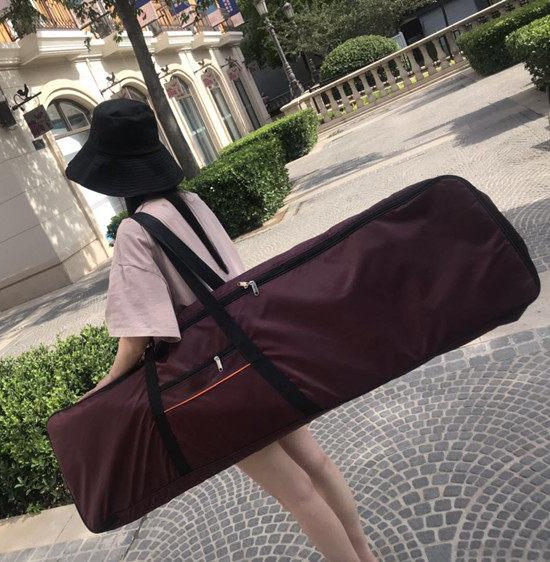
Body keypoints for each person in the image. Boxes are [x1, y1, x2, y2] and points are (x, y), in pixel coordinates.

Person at [65, 98, 378, 562]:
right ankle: (367, 555)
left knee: (296, 492)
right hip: (256, 349)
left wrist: (107, 383)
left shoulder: (135, 230)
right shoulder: (191, 202)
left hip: (218, 378)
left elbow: (139, 333)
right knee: (317, 463)